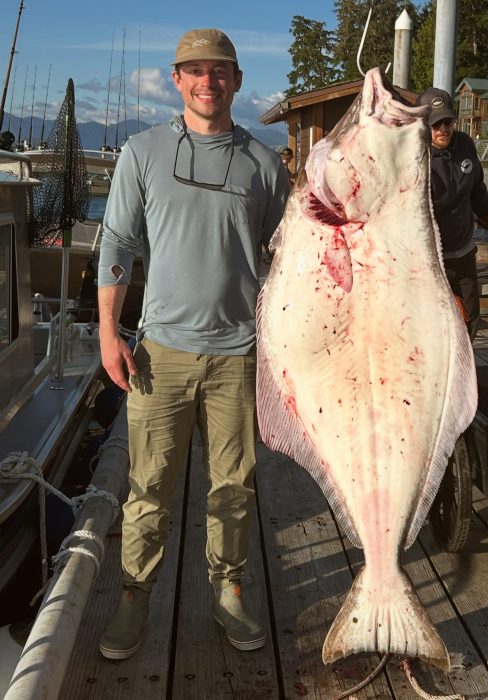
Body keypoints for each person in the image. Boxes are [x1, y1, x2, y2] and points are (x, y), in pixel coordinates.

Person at [97, 27, 290, 660]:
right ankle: (132, 596)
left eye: (221, 71)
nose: (208, 81)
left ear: (236, 81)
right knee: (148, 485)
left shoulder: (266, 165)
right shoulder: (142, 151)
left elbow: (289, 259)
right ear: (177, 80)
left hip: (239, 354)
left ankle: (229, 590)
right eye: (195, 71)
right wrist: (107, 332)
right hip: (161, 352)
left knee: (233, 486)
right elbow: (118, 247)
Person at [415, 87, 488, 340]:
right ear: (422, 126)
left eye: (447, 121)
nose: (443, 129)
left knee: (470, 320)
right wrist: (444, 293)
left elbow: (477, 191)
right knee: (438, 327)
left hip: (464, 252)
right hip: (429, 259)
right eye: (435, 124)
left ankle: (467, 375)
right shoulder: (413, 158)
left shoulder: (465, 144)